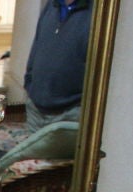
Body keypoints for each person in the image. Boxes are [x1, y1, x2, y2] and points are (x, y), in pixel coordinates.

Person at [24, 0, 93, 133]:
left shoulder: (94, 14)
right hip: (36, 109)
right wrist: (29, 84)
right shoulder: (52, 5)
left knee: (60, 154)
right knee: (34, 154)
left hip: (69, 113)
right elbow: (37, 46)